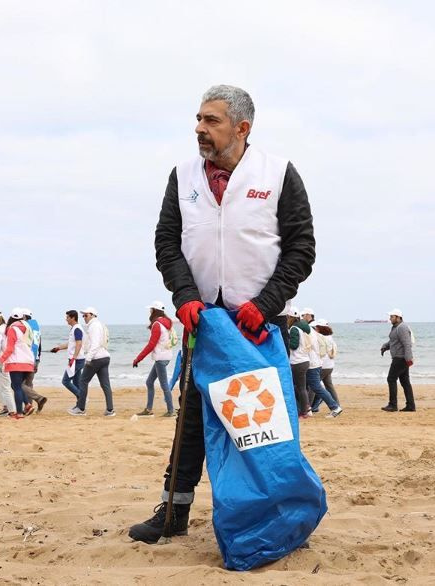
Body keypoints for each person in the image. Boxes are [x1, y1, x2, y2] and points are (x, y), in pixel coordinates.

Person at [128, 84, 316, 544]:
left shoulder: (278, 173)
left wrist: (265, 305)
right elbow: (167, 243)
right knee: (191, 417)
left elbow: (301, 249)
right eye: (198, 119)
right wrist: (185, 295)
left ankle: (279, 515)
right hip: (203, 320)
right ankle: (173, 513)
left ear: (242, 127)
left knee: (261, 425)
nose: (199, 129)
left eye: (211, 121)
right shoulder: (183, 175)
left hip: (259, 324)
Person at [67, 307, 115, 417]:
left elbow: (95, 344)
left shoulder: (94, 326)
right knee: (105, 384)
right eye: (83, 315)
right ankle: (110, 409)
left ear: (92, 315)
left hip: (96, 358)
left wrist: (88, 358)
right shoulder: (99, 325)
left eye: (86, 315)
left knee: (83, 381)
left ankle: (81, 408)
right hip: (104, 357)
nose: (84, 317)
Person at [133, 301, 175, 417]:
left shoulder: (157, 324)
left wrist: (138, 359)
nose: (149, 311)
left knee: (164, 385)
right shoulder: (166, 323)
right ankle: (149, 409)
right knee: (149, 381)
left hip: (161, 358)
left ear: (154, 310)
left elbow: (151, 345)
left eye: (151, 309)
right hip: (166, 356)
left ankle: (171, 410)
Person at [0, 308, 35, 419]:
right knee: (16, 386)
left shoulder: (13, 329)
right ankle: (27, 405)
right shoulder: (28, 327)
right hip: (28, 361)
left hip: (17, 362)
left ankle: (19, 413)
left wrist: (1, 360)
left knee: (17, 387)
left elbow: (10, 349)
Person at [381, 309, 416, 412]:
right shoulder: (395, 328)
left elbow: (407, 344)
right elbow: (394, 341)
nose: (390, 318)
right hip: (399, 358)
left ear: (398, 317)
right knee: (405, 382)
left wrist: (409, 359)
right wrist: (385, 346)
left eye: (392, 316)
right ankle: (410, 406)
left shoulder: (402, 328)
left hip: (400, 358)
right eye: (390, 316)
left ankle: (393, 405)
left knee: (391, 379)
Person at [51, 310, 86, 402]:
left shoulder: (77, 329)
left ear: (73, 318)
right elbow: (71, 344)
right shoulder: (74, 328)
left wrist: (73, 358)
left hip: (76, 360)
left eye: (67, 317)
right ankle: (80, 405)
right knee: (76, 383)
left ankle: (82, 398)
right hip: (77, 360)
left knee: (65, 381)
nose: (66, 319)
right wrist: (58, 348)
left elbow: (79, 344)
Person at [287, 307, 312, 417]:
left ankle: (304, 411)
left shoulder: (293, 329)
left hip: (297, 362)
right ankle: (305, 409)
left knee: (300, 388)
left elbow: (293, 345)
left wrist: (285, 342)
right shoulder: (302, 329)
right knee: (301, 387)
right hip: (304, 360)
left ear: (290, 317)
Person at [22, 308, 47, 413]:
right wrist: (38, 360)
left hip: (28, 359)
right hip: (35, 359)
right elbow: (39, 345)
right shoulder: (36, 327)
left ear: (24, 317)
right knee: (28, 384)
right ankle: (29, 407)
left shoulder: (26, 327)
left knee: (18, 384)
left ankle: (39, 398)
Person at [311, 319, 340, 410]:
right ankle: (337, 405)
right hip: (330, 366)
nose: (315, 329)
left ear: (320, 328)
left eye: (316, 327)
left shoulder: (319, 337)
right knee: (329, 386)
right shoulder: (330, 338)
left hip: (322, 366)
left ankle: (309, 407)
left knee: (313, 386)